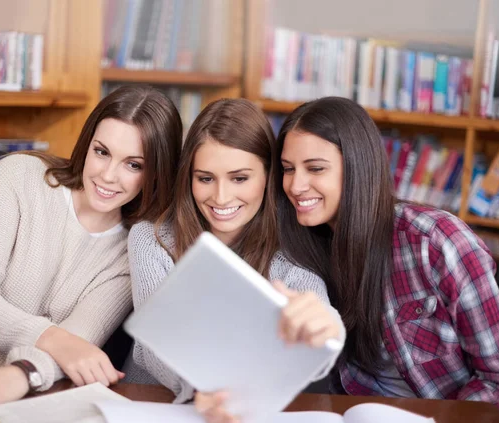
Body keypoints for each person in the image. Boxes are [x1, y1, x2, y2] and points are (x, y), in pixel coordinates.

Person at [0, 85, 183, 421]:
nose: (107, 175)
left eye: (133, 164)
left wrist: (26, 373)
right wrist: (52, 338)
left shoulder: (132, 248)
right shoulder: (19, 177)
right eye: (101, 152)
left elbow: (80, 339)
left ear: (156, 172)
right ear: (86, 144)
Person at [266, 96, 499, 417]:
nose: (296, 185)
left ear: (358, 167)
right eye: (288, 169)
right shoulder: (300, 254)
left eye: (315, 168)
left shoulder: (437, 241)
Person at [125, 98, 345, 410]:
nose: (221, 197)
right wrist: (204, 389)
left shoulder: (290, 254)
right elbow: (154, 345)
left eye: (240, 178)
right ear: (189, 178)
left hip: (241, 411)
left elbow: (320, 327)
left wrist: (327, 328)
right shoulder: (152, 239)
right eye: (205, 178)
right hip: (151, 405)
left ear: (268, 177)